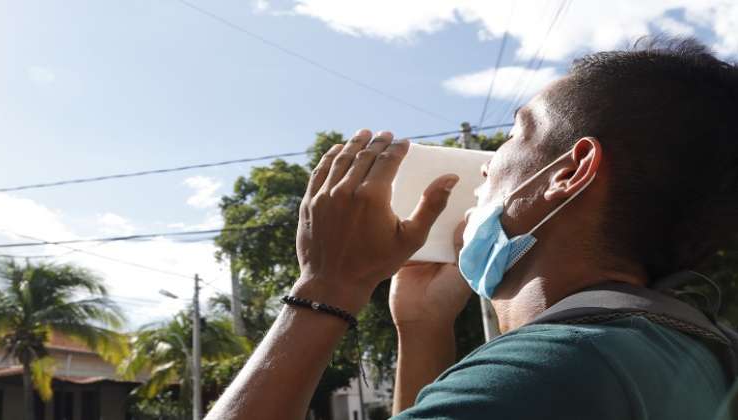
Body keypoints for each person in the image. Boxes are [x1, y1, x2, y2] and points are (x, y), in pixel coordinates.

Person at [206, 37, 738, 420]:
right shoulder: (688, 352)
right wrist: (424, 327)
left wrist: (326, 286)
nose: (485, 165)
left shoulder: (548, 373)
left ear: (571, 173)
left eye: (515, 134)